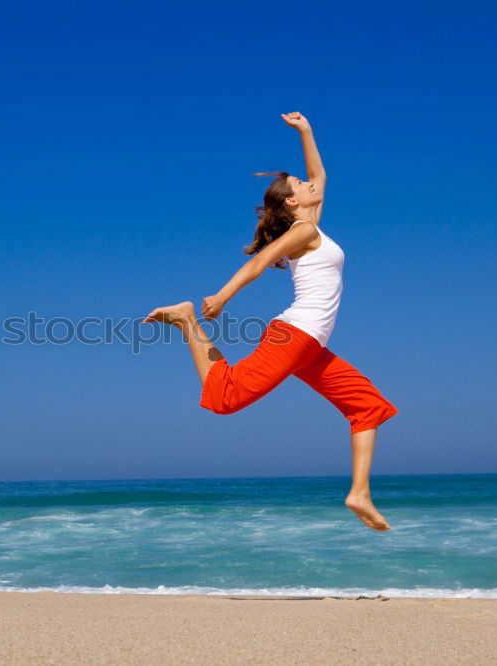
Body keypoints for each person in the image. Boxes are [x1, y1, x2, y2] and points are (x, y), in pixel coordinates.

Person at [143, 112, 399, 531]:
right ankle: (187, 319)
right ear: (293, 203)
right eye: (299, 184)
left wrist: (306, 131)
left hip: (310, 347)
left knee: (368, 406)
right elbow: (261, 260)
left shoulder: (313, 223)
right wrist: (222, 297)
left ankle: (359, 493)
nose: (308, 182)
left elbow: (319, 173)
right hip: (293, 336)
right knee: (226, 399)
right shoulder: (303, 230)